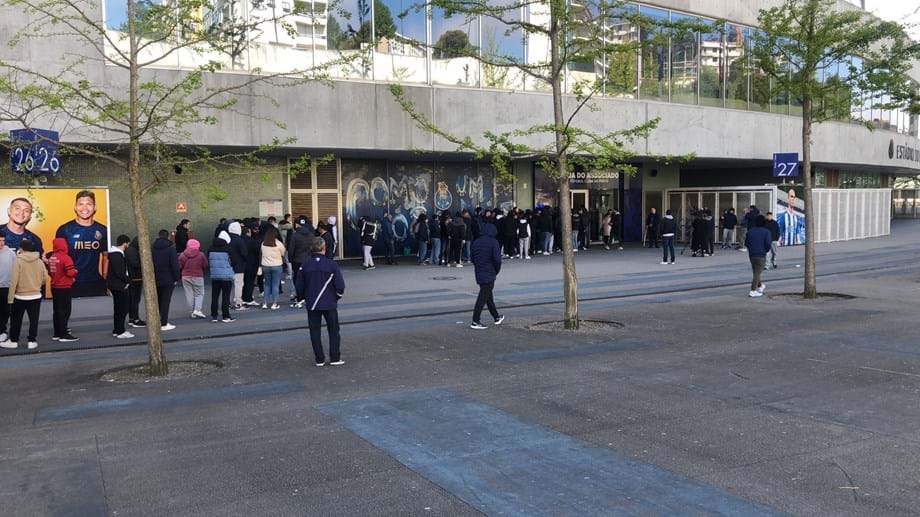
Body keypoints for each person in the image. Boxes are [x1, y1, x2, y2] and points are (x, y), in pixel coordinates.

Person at [295, 237, 345, 367]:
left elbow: (299, 286)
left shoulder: (305, 265)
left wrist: (302, 297)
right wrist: (336, 297)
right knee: (334, 330)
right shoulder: (332, 264)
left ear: (312, 248)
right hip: (329, 303)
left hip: (312, 303)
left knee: (315, 331)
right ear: (324, 248)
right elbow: (340, 286)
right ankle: (334, 357)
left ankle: (319, 359)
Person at [55, 191, 108, 297]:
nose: (85, 208)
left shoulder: (102, 230)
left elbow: (106, 256)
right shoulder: (64, 229)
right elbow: (58, 258)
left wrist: (105, 280)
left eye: (89, 204)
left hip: (95, 282)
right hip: (71, 282)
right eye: (81, 204)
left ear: (95, 207)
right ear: (75, 207)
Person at [1, 240, 45, 350]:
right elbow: (45, 278)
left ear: (22, 249)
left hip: (20, 296)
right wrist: (36, 285)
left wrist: (10, 298)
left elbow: (14, 280)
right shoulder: (39, 261)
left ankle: (13, 341)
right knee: (34, 320)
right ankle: (32, 341)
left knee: (16, 320)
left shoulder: (18, 261)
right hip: (35, 295)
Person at [470, 223, 504, 330]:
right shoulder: (493, 242)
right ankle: (475, 320)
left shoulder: (476, 242)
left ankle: (496, 317)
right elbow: (497, 260)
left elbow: (472, 258)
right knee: (483, 297)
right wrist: (496, 271)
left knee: (488, 296)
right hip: (489, 272)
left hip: (479, 271)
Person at [46, 237, 78, 342]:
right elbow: (70, 272)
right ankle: (64, 334)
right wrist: (75, 272)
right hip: (64, 287)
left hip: (54, 286)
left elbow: (50, 272)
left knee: (57, 310)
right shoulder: (66, 258)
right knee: (65, 310)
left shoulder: (52, 257)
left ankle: (57, 333)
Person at [151, 229, 180, 330]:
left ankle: (156, 320)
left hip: (155, 278)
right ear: (168, 236)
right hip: (168, 278)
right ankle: (163, 323)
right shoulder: (171, 248)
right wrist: (176, 278)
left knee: (157, 300)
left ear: (158, 236)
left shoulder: (152, 247)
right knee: (166, 301)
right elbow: (174, 265)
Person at [107, 235, 134, 339]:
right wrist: (128, 280)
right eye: (128, 244)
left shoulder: (114, 254)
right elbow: (120, 272)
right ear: (125, 243)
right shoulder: (117, 255)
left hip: (116, 285)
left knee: (119, 308)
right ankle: (120, 331)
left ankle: (117, 329)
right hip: (119, 285)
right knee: (123, 308)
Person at [288, 216, 315, 307]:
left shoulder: (295, 235)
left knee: (298, 279)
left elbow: (291, 249)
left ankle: (300, 297)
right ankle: (308, 296)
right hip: (308, 260)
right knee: (308, 279)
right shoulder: (311, 235)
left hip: (297, 260)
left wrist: (290, 259)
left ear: (297, 225)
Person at [208, 233, 235, 323]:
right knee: (225, 296)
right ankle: (226, 316)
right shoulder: (228, 249)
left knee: (215, 296)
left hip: (215, 276)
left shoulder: (211, 248)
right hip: (226, 276)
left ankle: (214, 316)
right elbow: (233, 261)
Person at [178, 238, 208, 319]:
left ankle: (192, 311)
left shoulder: (182, 255)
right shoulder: (201, 255)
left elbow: (180, 266)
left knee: (189, 294)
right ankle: (197, 309)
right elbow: (205, 265)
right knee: (199, 293)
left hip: (185, 276)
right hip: (198, 275)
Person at [745, 215, 772, 298]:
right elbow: (768, 244)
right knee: (757, 272)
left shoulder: (750, 231)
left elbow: (746, 243)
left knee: (756, 271)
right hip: (761, 254)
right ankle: (753, 290)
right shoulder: (766, 232)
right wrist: (765, 250)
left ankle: (760, 286)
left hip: (752, 254)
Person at [260, 226, 286, 310]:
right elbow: (283, 253)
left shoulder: (263, 243)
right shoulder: (278, 244)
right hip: (277, 265)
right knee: (275, 285)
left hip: (266, 266)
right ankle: (274, 304)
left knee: (267, 284)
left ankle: (265, 303)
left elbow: (262, 254)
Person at [227, 221, 248, 310]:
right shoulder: (239, 240)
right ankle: (238, 303)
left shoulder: (227, 239)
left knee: (230, 285)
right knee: (238, 284)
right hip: (239, 265)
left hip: (228, 265)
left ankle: (228, 302)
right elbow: (244, 253)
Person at [125, 238, 146, 328]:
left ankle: (132, 318)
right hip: (135, 278)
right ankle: (135, 319)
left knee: (132, 299)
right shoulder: (133, 251)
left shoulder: (129, 250)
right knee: (135, 299)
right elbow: (136, 264)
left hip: (132, 277)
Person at [242, 227, 261, 306]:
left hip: (242, 264)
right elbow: (258, 252)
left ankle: (243, 297)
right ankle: (249, 298)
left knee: (243, 282)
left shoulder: (240, 241)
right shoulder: (252, 241)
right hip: (252, 264)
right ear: (247, 232)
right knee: (250, 282)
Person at [0, 235, 14, 343]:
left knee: (5, 311)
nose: (1, 243)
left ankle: (3, 331)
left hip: (7, 287)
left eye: (3, 240)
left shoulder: (10, 253)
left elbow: (16, 269)